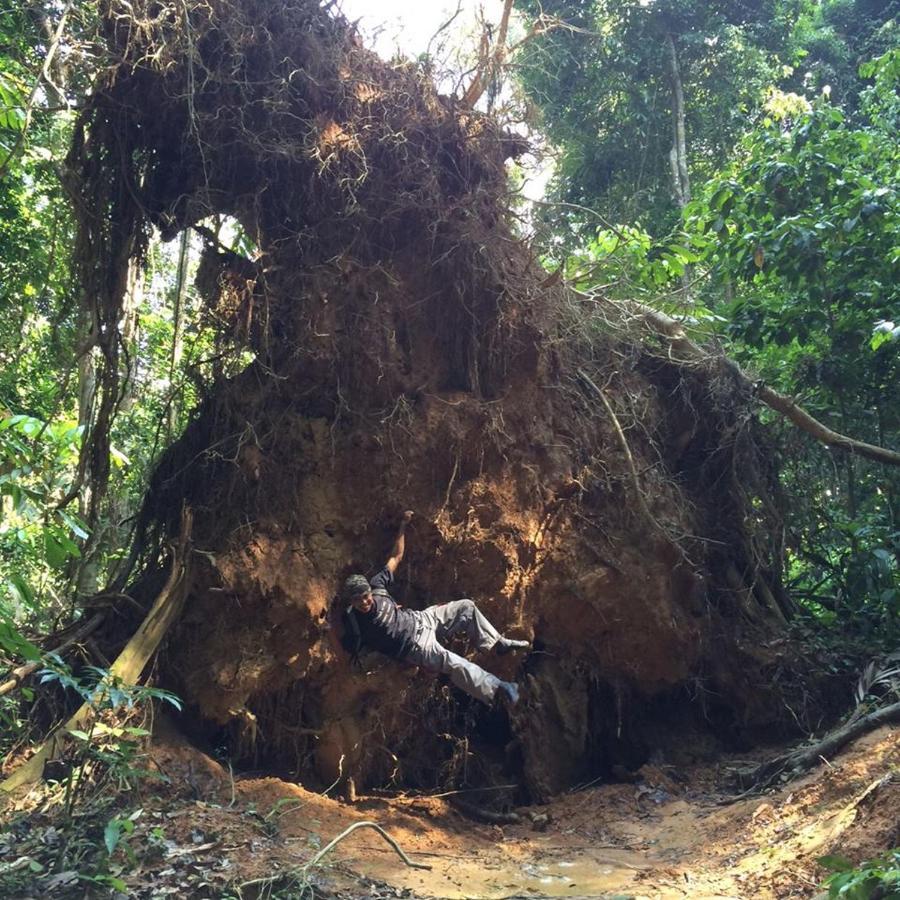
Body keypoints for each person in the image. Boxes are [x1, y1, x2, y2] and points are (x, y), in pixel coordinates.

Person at [338, 510, 529, 707]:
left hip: (422, 618)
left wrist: (403, 525)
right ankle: (501, 687)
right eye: (357, 600)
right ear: (350, 602)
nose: (364, 602)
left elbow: (396, 557)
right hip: (417, 647)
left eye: (365, 596)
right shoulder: (353, 622)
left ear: (370, 591)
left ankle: (497, 643)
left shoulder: (378, 585)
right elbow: (348, 651)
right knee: (454, 663)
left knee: (466, 607)